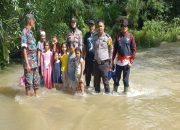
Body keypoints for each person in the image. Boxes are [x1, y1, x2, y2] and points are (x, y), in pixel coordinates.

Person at [112, 19, 136, 93]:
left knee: (125, 81)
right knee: (116, 80)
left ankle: (126, 95)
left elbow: (134, 50)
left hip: (127, 62)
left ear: (127, 27)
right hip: (118, 62)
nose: (124, 27)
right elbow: (115, 49)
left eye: (125, 26)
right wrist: (112, 60)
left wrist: (131, 61)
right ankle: (114, 94)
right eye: (122, 26)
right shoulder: (117, 36)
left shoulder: (131, 36)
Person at [21, 14, 39, 96]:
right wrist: (27, 64)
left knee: (36, 80)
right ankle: (27, 99)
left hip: (34, 62)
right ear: (30, 21)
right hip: (29, 62)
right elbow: (24, 49)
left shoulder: (31, 32)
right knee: (28, 82)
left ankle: (37, 96)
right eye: (33, 20)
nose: (34, 22)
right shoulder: (24, 32)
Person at [93, 20, 113, 94]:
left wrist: (110, 61)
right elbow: (94, 49)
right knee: (96, 82)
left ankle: (108, 96)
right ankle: (97, 97)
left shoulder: (108, 38)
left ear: (104, 27)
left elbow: (111, 49)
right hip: (96, 63)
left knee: (106, 81)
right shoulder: (94, 36)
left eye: (101, 26)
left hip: (104, 63)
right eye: (98, 26)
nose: (100, 28)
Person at [84, 20, 95, 88]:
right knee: (88, 74)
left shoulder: (97, 34)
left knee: (96, 74)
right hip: (88, 57)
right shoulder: (86, 34)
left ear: (94, 26)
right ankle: (87, 87)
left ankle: (95, 88)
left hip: (95, 58)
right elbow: (85, 46)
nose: (91, 26)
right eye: (90, 25)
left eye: (92, 25)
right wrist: (83, 57)